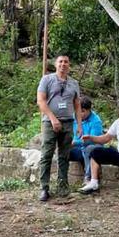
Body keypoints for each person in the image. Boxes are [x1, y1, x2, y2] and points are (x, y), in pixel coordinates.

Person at [37, 55, 82, 201]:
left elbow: (77, 104)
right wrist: (52, 118)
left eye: (66, 62)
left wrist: (79, 124)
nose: (63, 64)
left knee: (64, 155)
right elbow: (41, 101)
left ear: (69, 65)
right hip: (50, 123)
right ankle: (44, 187)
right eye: (61, 62)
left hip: (68, 122)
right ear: (56, 64)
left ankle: (62, 186)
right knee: (47, 155)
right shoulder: (47, 80)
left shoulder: (74, 83)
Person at [68, 96, 104, 185]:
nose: (80, 114)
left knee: (88, 149)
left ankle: (88, 177)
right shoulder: (74, 117)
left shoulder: (96, 121)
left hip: (91, 147)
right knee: (63, 151)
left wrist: (74, 142)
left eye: (83, 111)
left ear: (88, 110)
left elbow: (91, 140)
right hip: (77, 147)